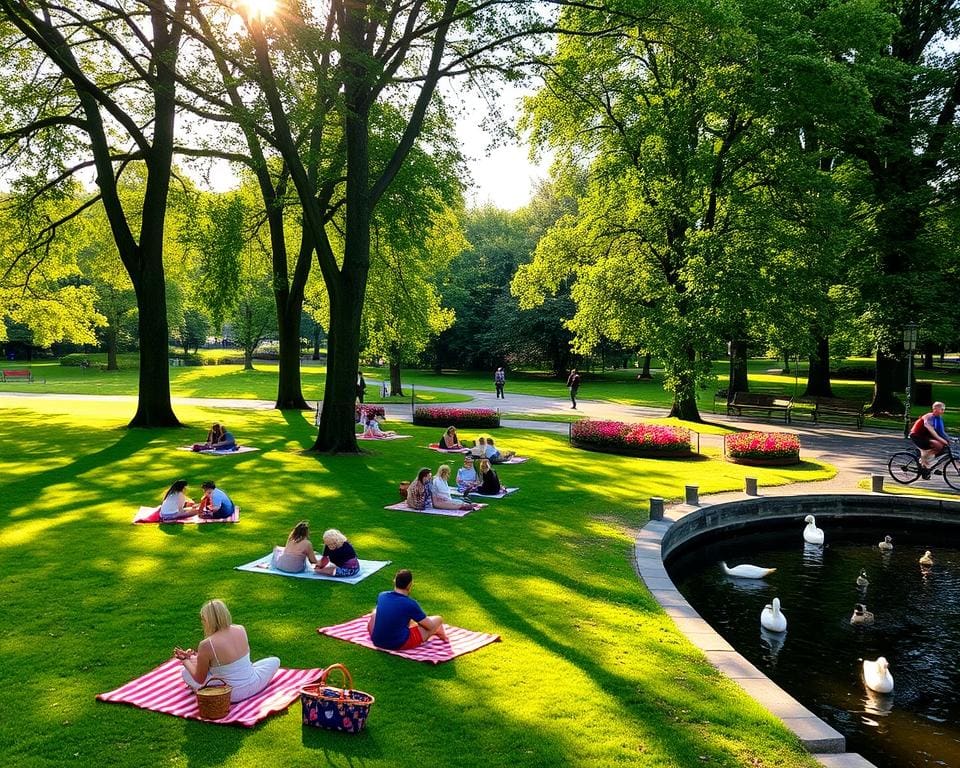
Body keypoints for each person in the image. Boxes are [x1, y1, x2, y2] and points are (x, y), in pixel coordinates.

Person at [175, 599, 280, 703]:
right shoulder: (240, 629)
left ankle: (202, 690)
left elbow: (199, 679)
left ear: (206, 620)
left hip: (230, 694)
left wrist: (185, 660)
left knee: (185, 673)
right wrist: (192, 658)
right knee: (275, 661)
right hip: (255, 684)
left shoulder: (207, 644)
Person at [367, 569, 448, 650]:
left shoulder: (382, 595)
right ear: (410, 585)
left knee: (376, 611)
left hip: (377, 640)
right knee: (438, 619)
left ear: (394, 581)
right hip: (397, 643)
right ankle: (440, 633)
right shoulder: (410, 604)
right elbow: (430, 626)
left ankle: (439, 632)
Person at [910, 401, 951, 477]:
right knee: (938, 445)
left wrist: (949, 439)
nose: (943, 411)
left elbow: (941, 432)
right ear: (935, 409)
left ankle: (925, 463)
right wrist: (942, 440)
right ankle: (923, 460)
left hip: (926, 436)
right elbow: (931, 430)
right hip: (917, 436)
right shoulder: (928, 416)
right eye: (941, 409)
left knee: (943, 447)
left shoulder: (939, 419)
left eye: (944, 409)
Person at [406, 467, 475, 511]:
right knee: (444, 502)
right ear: (424, 477)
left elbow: (433, 492)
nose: (430, 478)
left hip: (430, 500)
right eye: (429, 476)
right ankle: (462, 506)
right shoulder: (418, 486)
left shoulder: (428, 482)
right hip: (419, 504)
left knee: (451, 501)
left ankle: (463, 504)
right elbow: (418, 503)